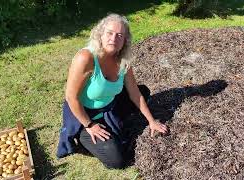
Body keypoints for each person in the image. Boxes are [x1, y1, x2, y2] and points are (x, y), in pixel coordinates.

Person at [56, 13, 168, 169]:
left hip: (109, 105)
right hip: (85, 114)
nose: (113, 38)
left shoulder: (123, 60)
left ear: (124, 41)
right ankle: (82, 136)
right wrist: (89, 125)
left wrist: (151, 121)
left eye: (119, 35)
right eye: (109, 33)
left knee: (143, 91)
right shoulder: (86, 58)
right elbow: (71, 97)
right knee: (117, 161)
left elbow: (135, 93)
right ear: (100, 34)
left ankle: (111, 122)